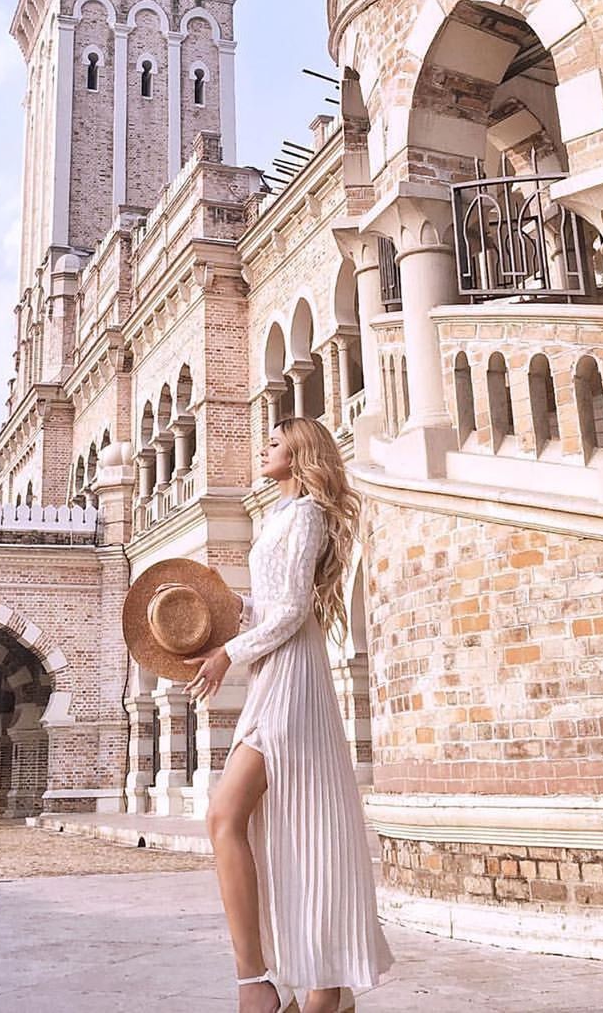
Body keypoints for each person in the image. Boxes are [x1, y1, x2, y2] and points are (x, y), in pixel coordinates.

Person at [185, 417, 393, 1013]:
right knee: (248, 822)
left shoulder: (304, 516)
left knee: (244, 816)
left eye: (275, 442)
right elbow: (272, 605)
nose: (263, 448)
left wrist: (229, 651)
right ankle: (300, 984)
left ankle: (270, 985)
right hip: (274, 676)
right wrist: (226, 610)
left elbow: (292, 613)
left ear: (300, 452)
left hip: (293, 682)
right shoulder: (277, 517)